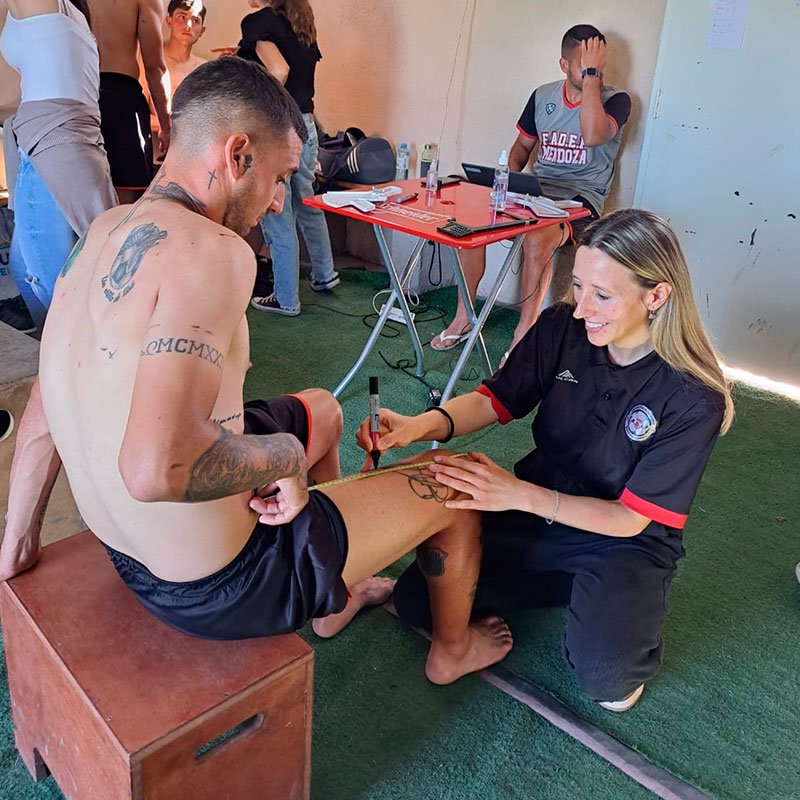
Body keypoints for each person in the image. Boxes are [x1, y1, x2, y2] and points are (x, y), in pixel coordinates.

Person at [0, 58, 512, 685]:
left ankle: (338, 595)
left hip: (127, 555)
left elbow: (48, 401)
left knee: (323, 409)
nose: (276, 203)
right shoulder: (214, 252)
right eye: (279, 179)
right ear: (237, 153)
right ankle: (452, 651)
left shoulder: (103, 230)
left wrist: (16, 544)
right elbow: (158, 468)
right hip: (223, 584)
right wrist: (285, 460)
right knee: (456, 488)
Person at [360, 209, 734, 711]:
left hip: (622, 540)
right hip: (540, 505)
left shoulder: (694, 397)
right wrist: (419, 424)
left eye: (602, 295)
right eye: (578, 286)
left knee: (608, 685)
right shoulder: (562, 325)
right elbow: (496, 399)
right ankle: (563, 582)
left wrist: (516, 494)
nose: (582, 309)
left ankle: (605, 597)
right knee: (416, 603)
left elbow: (630, 518)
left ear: (657, 296)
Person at [432, 24, 631, 362]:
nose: (595, 72)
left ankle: (524, 331)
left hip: (581, 201)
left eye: (599, 65)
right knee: (468, 222)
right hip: (536, 192)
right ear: (564, 65)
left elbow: (593, 135)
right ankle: (464, 316)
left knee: (538, 237)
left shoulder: (617, 100)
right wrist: (509, 177)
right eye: (585, 65)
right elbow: (522, 148)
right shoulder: (542, 96)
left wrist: (591, 78)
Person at [0, 0, 117, 330]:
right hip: (66, 146)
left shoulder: (43, 8)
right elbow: (11, 96)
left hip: (50, 149)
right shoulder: (70, 16)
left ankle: (71, 356)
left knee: (48, 284)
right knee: (28, 270)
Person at [238, 0, 339, 316]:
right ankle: (325, 274)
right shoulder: (301, 20)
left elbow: (280, 71)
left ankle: (286, 299)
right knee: (308, 205)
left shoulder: (257, 22)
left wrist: (258, 107)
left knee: (277, 214)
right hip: (305, 124)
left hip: (278, 128)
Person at [86, 0, 170, 203]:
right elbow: (155, 68)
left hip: (80, 94)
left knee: (81, 194)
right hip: (121, 100)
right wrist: (167, 127)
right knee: (125, 199)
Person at [146, 0, 208, 144]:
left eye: (195, 20)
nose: (188, 26)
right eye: (182, 17)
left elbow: (208, 117)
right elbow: (137, 111)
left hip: (193, 150)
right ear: (169, 21)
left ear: (202, 30)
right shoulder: (151, 59)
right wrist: (170, 128)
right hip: (154, 150)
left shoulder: (204, 68)